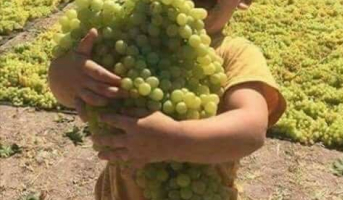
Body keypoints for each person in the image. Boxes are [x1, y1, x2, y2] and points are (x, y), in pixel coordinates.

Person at [48, 0, 287, 199]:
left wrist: (174, 139)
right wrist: (69, 73)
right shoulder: (127, 42)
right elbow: (64, 91)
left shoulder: (236, 53)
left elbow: (251, 131)